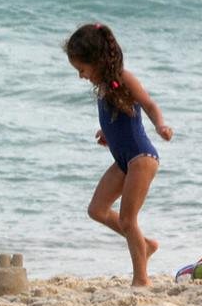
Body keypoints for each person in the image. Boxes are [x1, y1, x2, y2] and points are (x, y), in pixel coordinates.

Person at [64, 23, 173, 286]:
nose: (81, 76)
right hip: (123, 161)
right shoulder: (104, 87)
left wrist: (160, 125)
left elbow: (148, 104)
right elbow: (121, 118)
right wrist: (107, 133)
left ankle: (141, 279)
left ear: (97, 60)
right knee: (97, 210)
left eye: (82, 69)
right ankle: (144, 245)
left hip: (141, 158)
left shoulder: (124, 78)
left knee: (127, 219)